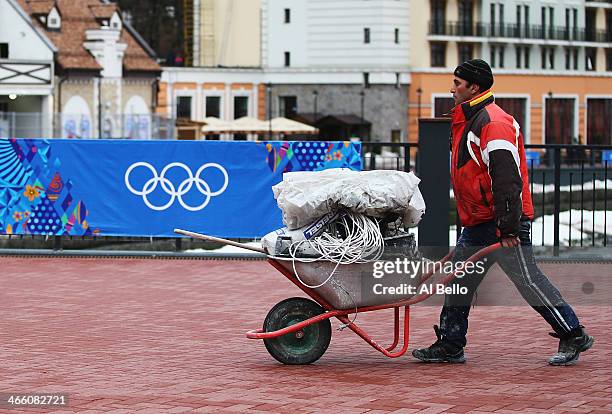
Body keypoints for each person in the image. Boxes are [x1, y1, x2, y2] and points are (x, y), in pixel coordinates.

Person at [412, 59, 594, 366]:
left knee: (527, 280)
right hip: (480, 220)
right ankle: (451, 343)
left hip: (502, 221)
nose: (452, 88)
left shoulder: (492, 122)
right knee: (460, 281)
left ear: (474, 87)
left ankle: (573, 333)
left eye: (457, 83)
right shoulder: (468, 120)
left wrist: (508, 228)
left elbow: (507, 178)